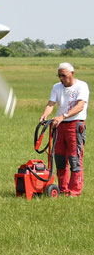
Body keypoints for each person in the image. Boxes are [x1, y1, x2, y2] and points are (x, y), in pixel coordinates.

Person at [40, 62, 88, 196]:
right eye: (59, 76)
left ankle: (74, 191)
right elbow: (51, 103)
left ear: (72, 74)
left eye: (64, 75)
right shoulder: (56, 87)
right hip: (59, 126)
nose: (61, 78)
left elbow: (80, 106)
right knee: (60, 158)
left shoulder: (81, 86)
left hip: (75, 125)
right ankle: (63, 189)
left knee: (74, 158)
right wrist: (45, 114)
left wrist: (63, 116)